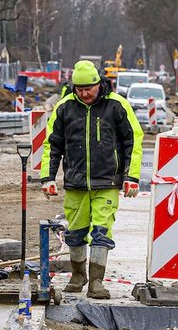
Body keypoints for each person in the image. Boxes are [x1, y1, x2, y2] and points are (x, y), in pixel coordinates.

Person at [39, 59, 144, 299]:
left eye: (89, 88)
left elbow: (133, 141)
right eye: (80, 89)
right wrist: (48, 177)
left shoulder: (117, 106)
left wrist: (132, 177)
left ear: (98, 83)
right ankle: (78, 275)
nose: (85, 93)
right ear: (74, 86)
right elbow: (52, 145)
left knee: (101, 231)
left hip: (107, 182)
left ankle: (96, 281)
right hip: (76, 182)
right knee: (75, 232)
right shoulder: (64, 108)